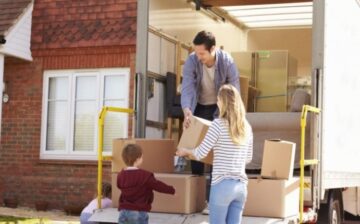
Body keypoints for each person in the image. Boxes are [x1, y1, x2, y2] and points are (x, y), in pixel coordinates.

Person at [181, 30, 240, 213]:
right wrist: (187, 110)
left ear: (213, 49)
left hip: (219, 109)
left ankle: (214, 202)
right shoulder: (192, 61)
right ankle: (198, 200)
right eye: (196, 52)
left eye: (202, 53)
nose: (198, 57)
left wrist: (230, 117)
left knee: (217, 152)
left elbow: (234, 90)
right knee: (196, 153)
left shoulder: (227, 61)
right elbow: (188, 87)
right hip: (198, 106)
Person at [177, 84, 253, 224]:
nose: (217, 102)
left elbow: (200, 153)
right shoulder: (246, 127)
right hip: (241, 187)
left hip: (222, 186)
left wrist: (185, 151)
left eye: (218, 99)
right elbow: (248, 158)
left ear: (222, 102)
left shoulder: (217, 125)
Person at [117, 144, 175, 224]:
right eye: (142, 157)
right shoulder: (145, 176)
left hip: (123, 212)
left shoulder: (120, 175)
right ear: (137, 159)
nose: (142, 159)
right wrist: (172, 190)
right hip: (138, 212)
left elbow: (119, 186)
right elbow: (158, 186)